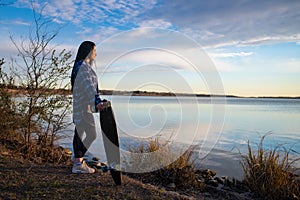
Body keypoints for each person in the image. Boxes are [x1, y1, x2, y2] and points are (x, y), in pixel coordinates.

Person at [71, 41, 103, 174]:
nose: (96, 53)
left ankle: (76, 158)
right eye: (95, 51)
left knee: (79, 134)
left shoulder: (81, 66)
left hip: (82, 106)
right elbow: (89, 87)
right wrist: (97, 101)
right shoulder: (82, 68)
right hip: (84, 107)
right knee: (91, 134)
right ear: (89, 52)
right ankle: (78, 163)